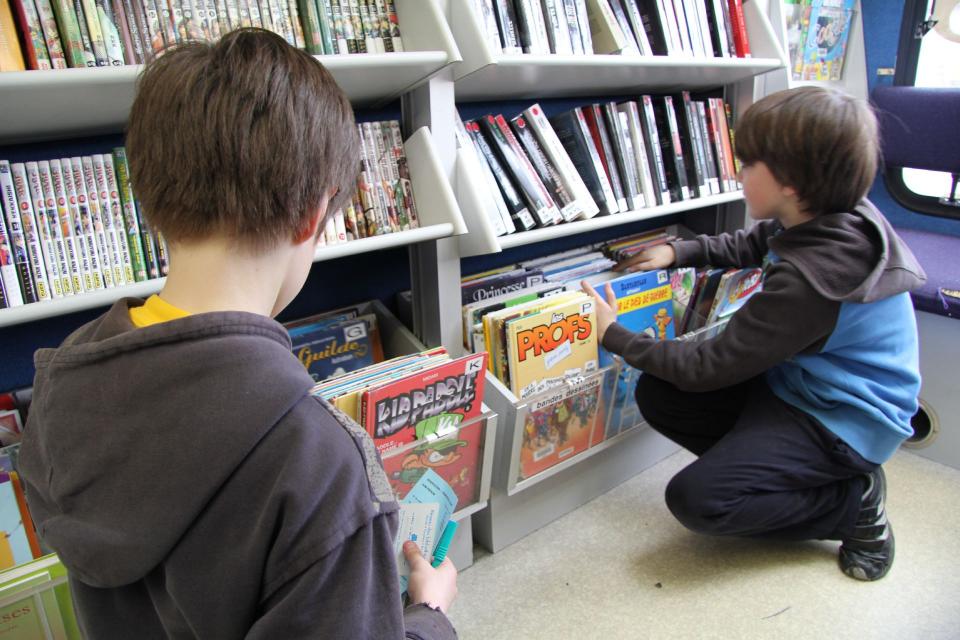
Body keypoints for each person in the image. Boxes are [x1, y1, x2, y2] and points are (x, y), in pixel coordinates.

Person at [19, 29, 458, 638]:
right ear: (314, 214)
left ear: (147, 200)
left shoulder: (69, 374)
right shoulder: (319, 461)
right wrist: (427, 617)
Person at [583, 86, 926, 582]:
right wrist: (682, 251)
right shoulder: (824, 217)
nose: (737, 174)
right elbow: (758, 241)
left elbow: (706, 368)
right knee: (660, 393)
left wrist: (612, 333)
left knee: (699, 500)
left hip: (845, 421)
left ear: (790, 182)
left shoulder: (812, 282)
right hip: (803, 389)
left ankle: (853, 504)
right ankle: (770, 468)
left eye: (747, 165)